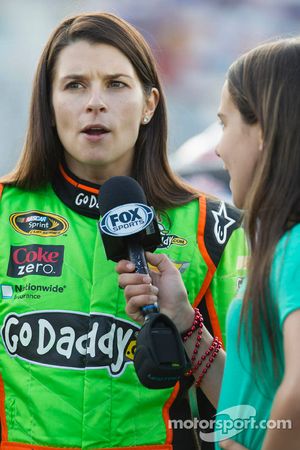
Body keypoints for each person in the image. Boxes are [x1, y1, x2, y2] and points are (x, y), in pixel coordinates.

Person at [0, 12, 248, 450]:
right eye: (74, 84)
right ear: (48, 104)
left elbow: (257, 414)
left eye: (115, 84)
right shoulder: (4, 212)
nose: (95, 102)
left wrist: (186, 327)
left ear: (150, 103)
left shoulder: (216, 227)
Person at [117, 36, 300, 450]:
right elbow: (248, 401)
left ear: (263, 132)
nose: (217, 148)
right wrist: (184, 321)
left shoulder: (294, 249)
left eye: (225, 123)